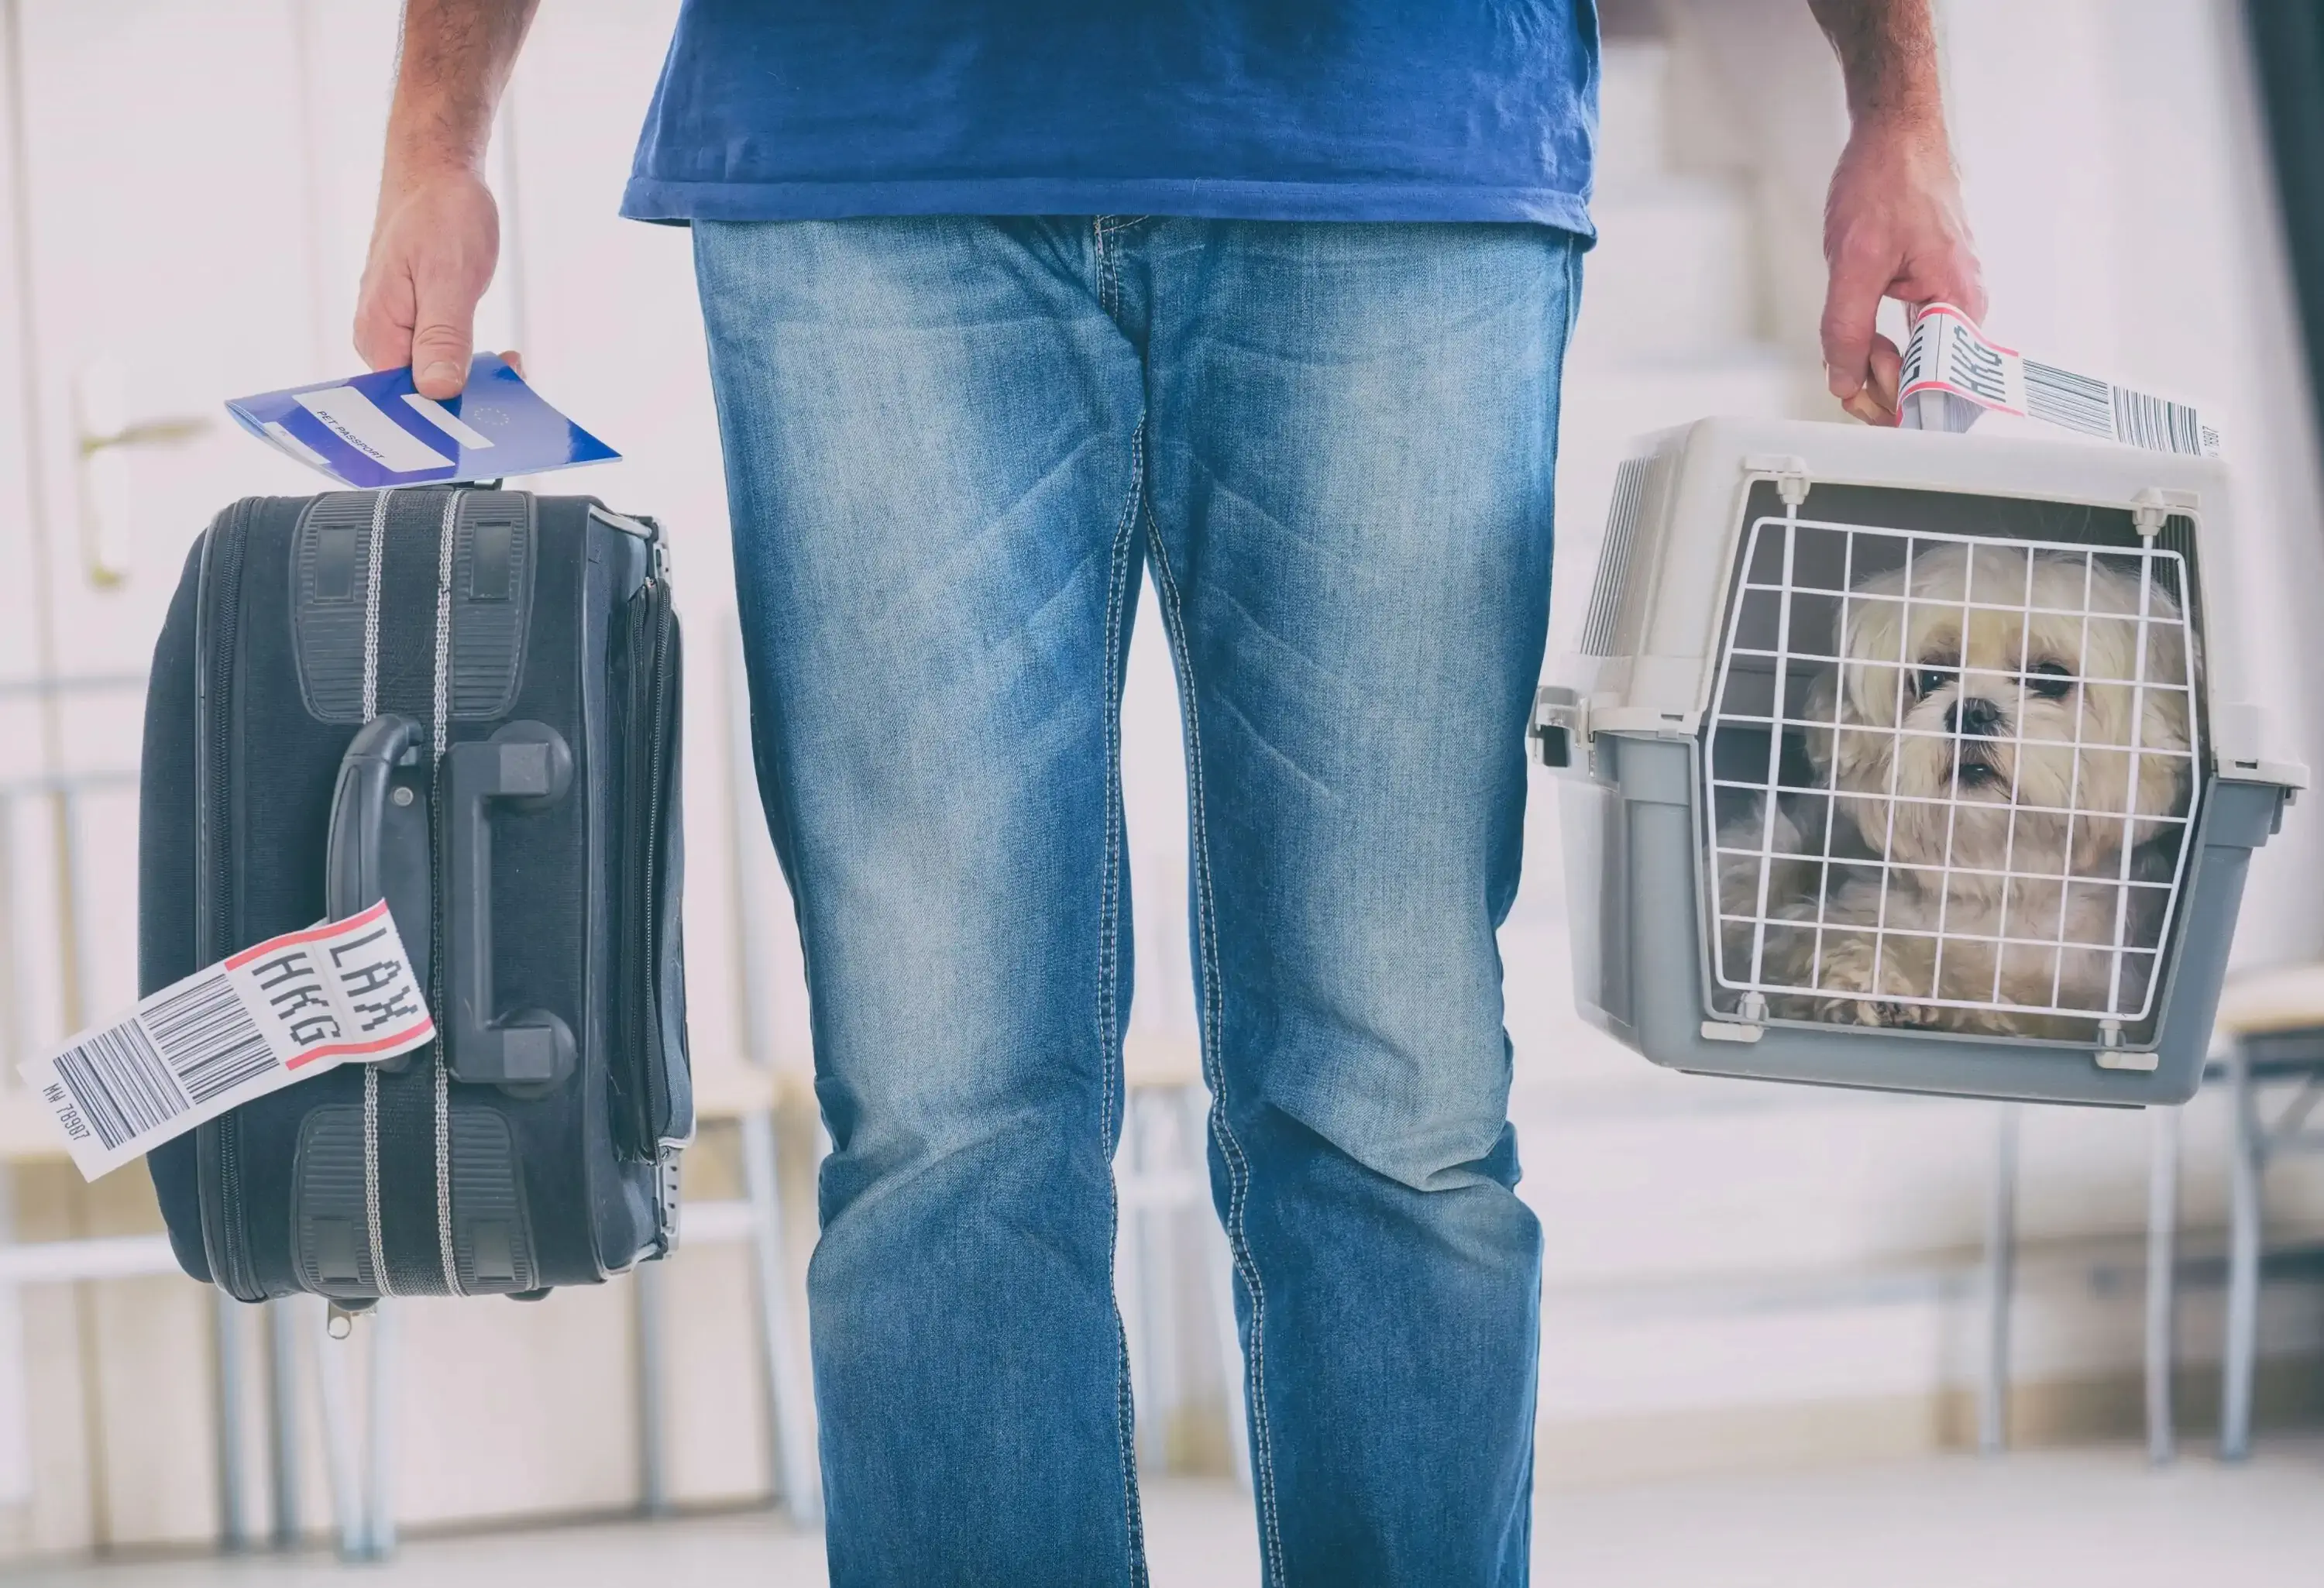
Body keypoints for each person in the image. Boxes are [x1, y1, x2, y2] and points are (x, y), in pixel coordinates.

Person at [356, 4, 1983, 1583]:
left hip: (1394, 130)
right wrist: (440, 131)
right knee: (940, 1108)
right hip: (864, 133)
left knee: (1391, 1088)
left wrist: (1897, 97)